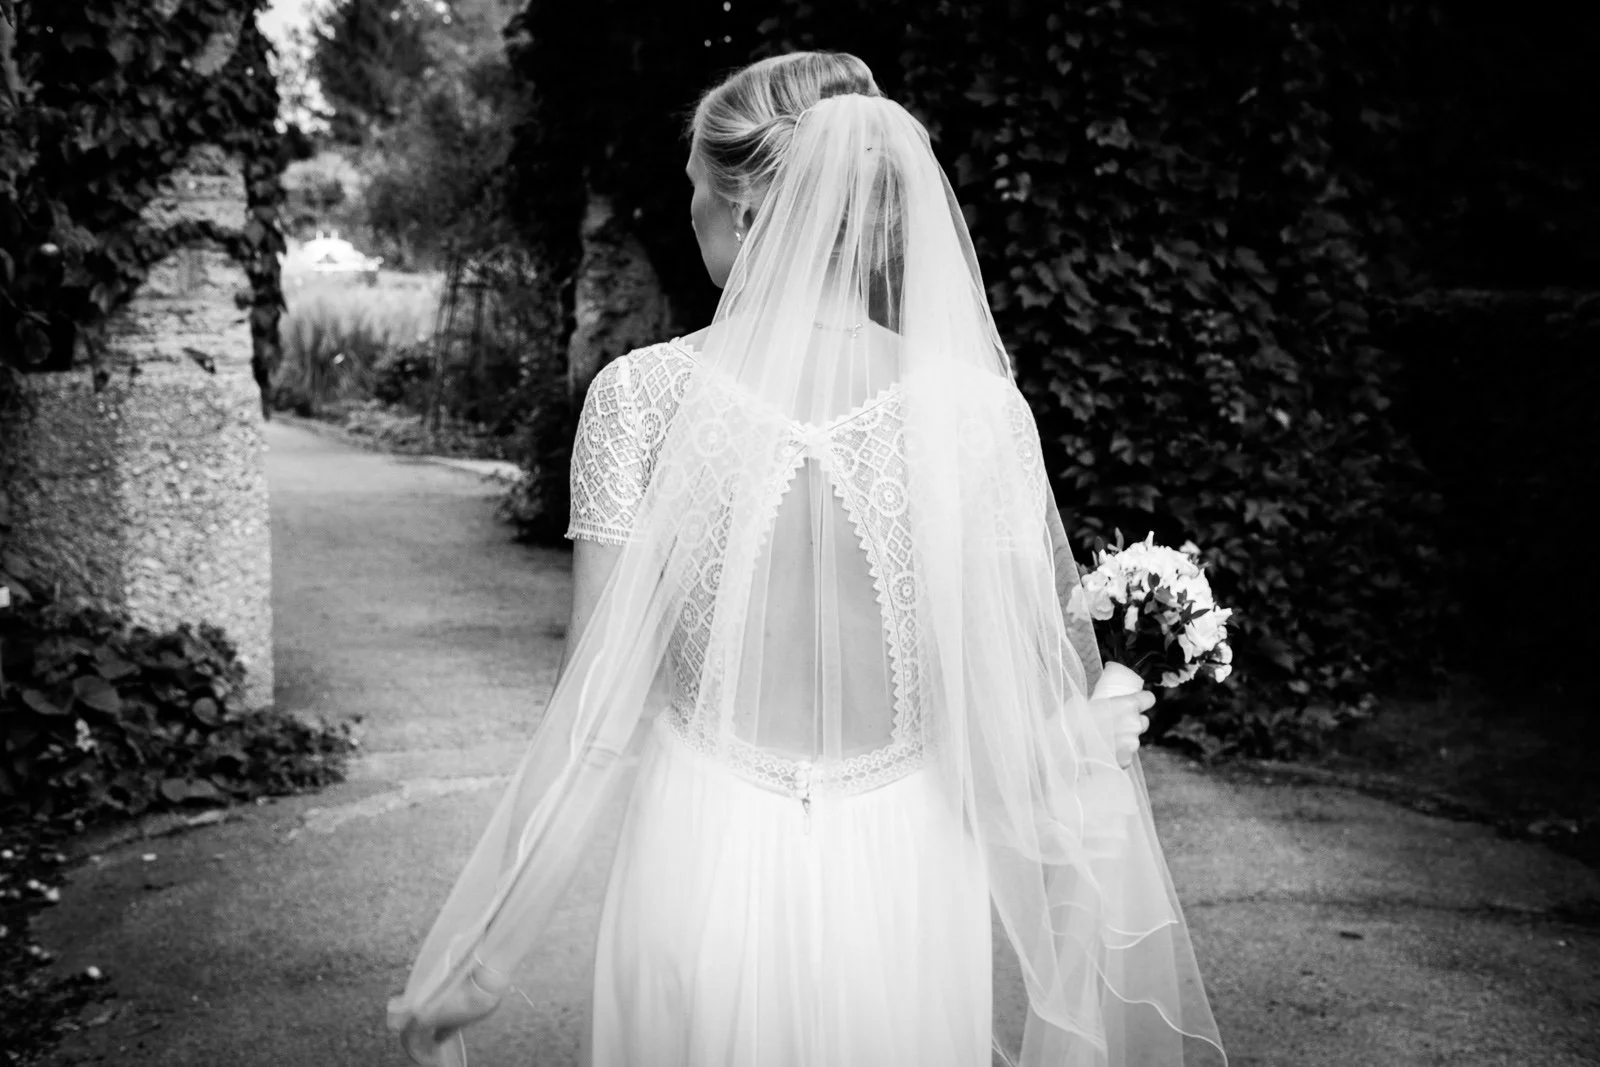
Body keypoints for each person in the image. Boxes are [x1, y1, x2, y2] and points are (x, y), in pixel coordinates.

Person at [387, 51, 1227, 1067]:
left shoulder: (640, 398)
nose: (688, 210)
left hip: (695, 856)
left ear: (745, 213)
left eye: (694, 187)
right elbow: (1005, 718)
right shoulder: (977, 414)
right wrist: (1091, 726)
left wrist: (479, 957)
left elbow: (593, 717)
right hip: (908, 875)